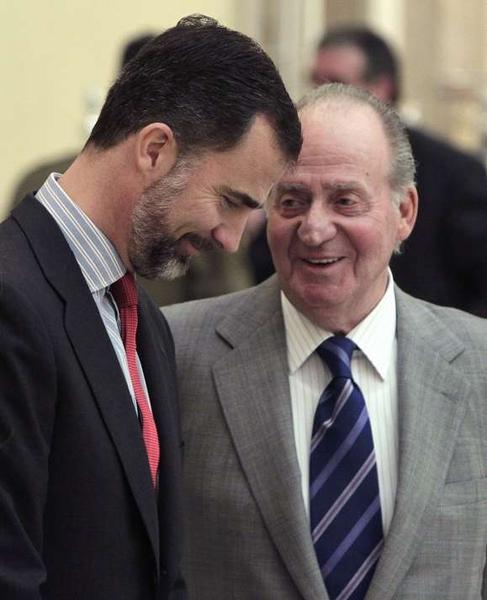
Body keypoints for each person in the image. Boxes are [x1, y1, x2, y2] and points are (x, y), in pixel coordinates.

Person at [0, 15, 301, 599]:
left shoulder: (146, 326)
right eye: (230, 201)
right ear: (156, 149)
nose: (230, 240)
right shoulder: (12, 300)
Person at [163, 83, 487, 599]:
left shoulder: (478, 366)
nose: (314, 229)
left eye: (345, 201)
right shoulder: (175, 353)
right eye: (291, 201)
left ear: (405, 212)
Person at [249, 26, 487, 316]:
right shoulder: (288, 154)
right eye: (315, 82)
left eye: (345, 201)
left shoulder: (456, 174)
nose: (314, 231)